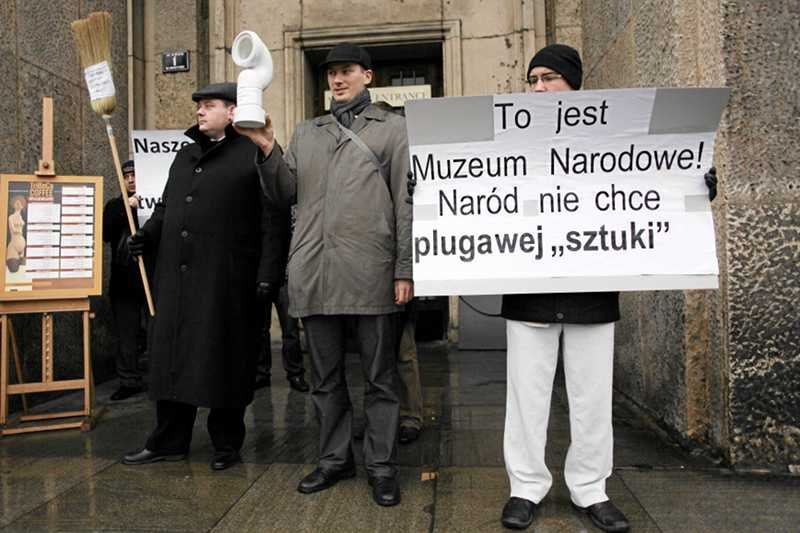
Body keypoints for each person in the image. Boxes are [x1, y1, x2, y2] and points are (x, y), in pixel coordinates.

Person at [498, 44, 717, 532]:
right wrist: (432, 187)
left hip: (591, 291)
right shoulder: (508, 143)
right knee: (525, 397)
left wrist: (693, 183)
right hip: (529, 289)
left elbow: (651, 177)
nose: (538, 89)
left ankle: (591, 489)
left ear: (575, 85)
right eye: (532, 80)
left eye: (550, 78)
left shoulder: (612, 139)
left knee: (592, 395)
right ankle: (525, 488)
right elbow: (478, 187)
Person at [238, 42, 412, 506]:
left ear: (367, 76)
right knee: (324, 377)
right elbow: (283, 194)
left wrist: (404, 269)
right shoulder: (307, 132)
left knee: (380, 377)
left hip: (371, 269)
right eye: (332, 73)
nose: (337, 80)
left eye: (347, 71)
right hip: (314, 271)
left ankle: (381, 465)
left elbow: (405, 204)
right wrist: (267, 147)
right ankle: (335, 459)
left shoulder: (393, 129)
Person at [121, 82, 289, 471]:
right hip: (176, 281)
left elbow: (273, 217)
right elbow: (166, 207)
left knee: (224, 361)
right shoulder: (184, 154)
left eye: (208, 105)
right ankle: (168, 440)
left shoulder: (253, 153)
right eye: (198, 105)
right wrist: (146, 235)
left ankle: (226, 444)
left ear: (232, 112)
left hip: (226, 281)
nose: (199, 111)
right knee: (173, 360)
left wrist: (268, 273)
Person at [102, 160, 146, 401]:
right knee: (126, 334)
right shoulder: (114, 206)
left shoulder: (153, 204)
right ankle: (129, 379)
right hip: (124, 282)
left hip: (150, 279)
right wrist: (127, 209)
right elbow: (106, 233)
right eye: (126, 175)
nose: (130, 179)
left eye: (134, 175)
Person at [255, 205, 310, 393]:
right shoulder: (262, 207)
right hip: (263, 275)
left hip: (287, 278)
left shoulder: (295, 209)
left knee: (290, 331)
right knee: (260, 329)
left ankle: (295, 374)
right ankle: (261, 373)